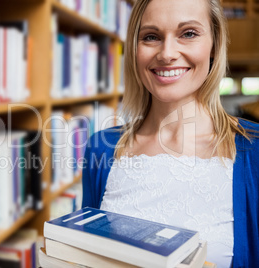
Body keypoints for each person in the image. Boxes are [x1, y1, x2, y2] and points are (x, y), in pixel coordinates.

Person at [81, 0, 259, 267]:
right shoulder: (101, 147)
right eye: (151, 37)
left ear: (214, 44)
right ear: (134, 49)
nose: (166, 53)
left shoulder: (253, 150)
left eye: (188, 33)